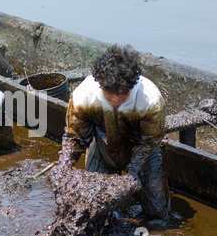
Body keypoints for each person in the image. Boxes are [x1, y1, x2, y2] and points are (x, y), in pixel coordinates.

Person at [58, 44, 171, 219]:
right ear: (100, 84)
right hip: (104, 148)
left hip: (143, 151)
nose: (116, 100)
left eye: (123, 94)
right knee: (92, 207)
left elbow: (148, 142)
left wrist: (132, 174)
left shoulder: (150, 100)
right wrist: (64, 167)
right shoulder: (84, 96)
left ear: (132, 86)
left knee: (158, 213)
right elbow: (75, 137)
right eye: (110, 94)